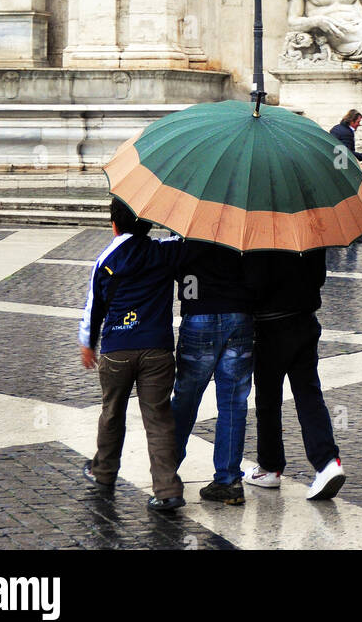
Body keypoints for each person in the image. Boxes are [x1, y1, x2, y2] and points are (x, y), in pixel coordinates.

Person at [78, 197, 186, 512]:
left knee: (112, 412)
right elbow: (187, 240)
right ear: (149, 223)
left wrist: (88, 343)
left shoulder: (106, 258)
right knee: (159, 419)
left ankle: (104, 472)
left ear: (114, 224)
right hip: (157, 349)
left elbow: (93, 307)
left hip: (117, 349)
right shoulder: (165, 251)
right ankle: (167, 490)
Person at [242, 249, 345, 501]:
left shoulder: (258, 236)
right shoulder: (308, 229)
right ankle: (327, 462)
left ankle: (270, 466)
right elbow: (319, 277)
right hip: (304, 321)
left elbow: (253, 284)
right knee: (309, 394)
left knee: (268, 401)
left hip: (269, 327)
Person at [170, 243, 255, 508]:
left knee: (186, 399)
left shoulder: (188, 228)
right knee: (233, 403)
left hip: (198, 315)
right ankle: (228, 480)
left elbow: (174, 266)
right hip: (239, 315)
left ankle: (166, 473)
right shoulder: (245, 228)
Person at [329, 109, 362, 244]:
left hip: (333, 170)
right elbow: (347, 153)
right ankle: (355, 234)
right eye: (358, 122)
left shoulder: (336, 129)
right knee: (353, 202)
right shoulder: (347, 133)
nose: (359, 125)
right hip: (343, 172)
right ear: (352, 120)